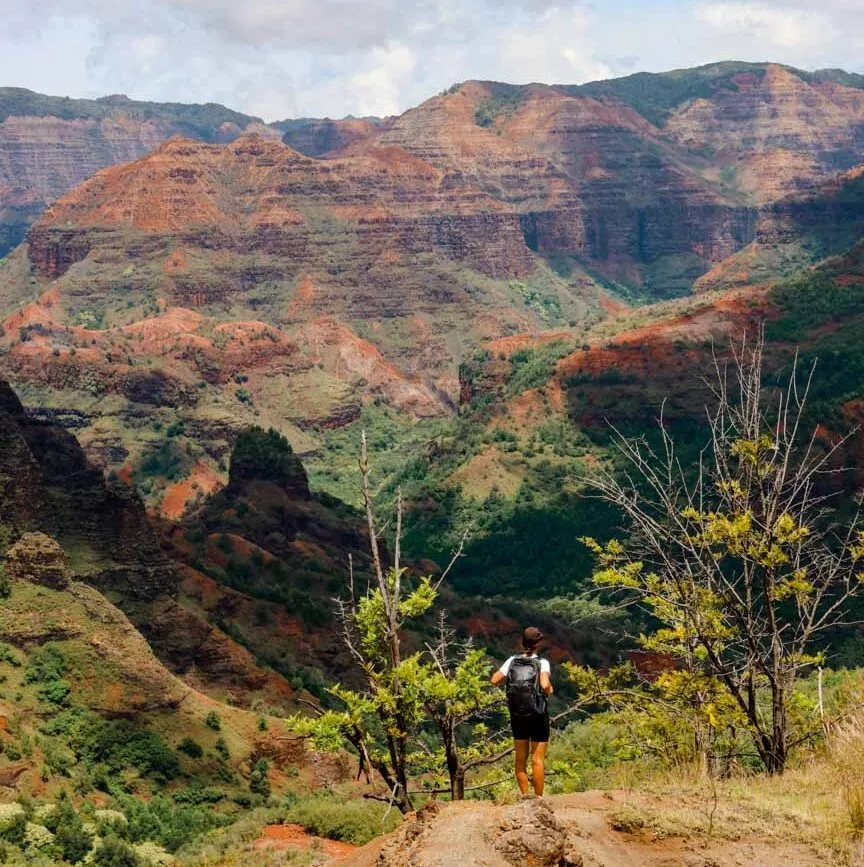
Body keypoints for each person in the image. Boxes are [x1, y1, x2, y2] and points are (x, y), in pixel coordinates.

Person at [491, 626, 553, 796]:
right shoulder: (542, 662)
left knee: (520, 760)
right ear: (538, 643)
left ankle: (525, 797)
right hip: (538, 715)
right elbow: (545, 685)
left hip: (518, 715)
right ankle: (539, 800)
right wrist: (549, 690)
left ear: (523, 642)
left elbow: (494, 679)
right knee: (537, 760)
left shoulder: (512, 661)